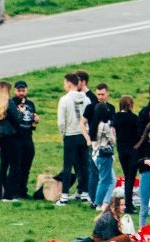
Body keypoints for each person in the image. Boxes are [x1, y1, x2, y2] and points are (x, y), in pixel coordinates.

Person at [55, 71, 93, 205]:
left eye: (65, 82)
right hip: (83, 134)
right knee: (84, 164)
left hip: (70, 135)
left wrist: (63, 134)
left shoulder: (64, 100)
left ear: (69, 83)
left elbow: (61, 121)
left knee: (67, 165)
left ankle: (64, 195)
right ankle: (85, 192)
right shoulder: (86, 99)